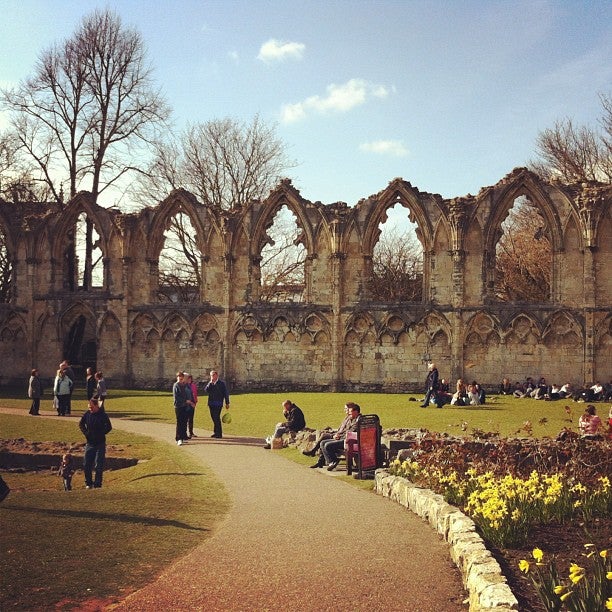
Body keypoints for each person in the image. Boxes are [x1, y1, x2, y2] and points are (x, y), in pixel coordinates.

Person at [317, 402, 362, 471]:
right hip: (344, 438)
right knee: (322, 443)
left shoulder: (358, 420)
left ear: (356, 412)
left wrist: (339, 436)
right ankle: (332, 462)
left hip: (349, 441)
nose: (348, 414)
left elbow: (350, 432)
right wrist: (337, 435)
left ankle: (334, 460)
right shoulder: (351, 418)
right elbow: (345, 430)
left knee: (328, 445)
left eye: (350, 412)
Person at [79, 398, 112, 489]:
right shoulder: (87, 414)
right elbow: (81, 424)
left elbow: (109, 427)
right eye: (89, 407)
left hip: (100, 444)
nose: (90, 409)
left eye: (92, 407)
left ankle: (98, 484)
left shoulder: (103, 415)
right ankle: (88, 483)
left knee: (98, 464)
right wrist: (86, 433)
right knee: (87, 464)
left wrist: (101, 433)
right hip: (90, 443)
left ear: (97, 406)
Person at [204, 370, 230, 439]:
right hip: (211, 403)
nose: (212, 377)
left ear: (216, 375)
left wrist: (227, 403)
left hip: (218, 403)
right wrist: (210, 383)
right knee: (213, 418)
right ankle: (216, 432)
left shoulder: (222, 383)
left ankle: (219, 433)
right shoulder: (210, 384)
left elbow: (225, 393)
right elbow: (206, 390)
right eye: (211, 375)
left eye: (213, 375)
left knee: (216, 418)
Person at [173, 372, 194, 446]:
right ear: (177, 378)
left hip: (185, 406)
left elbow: (187, 394)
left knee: (184, 422)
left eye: (181, 378)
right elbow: (177, 397)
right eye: (179, 378)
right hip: (178, 406)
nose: (180, 379)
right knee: (179, 422)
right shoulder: (176, 385)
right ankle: (178, 438)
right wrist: (185, 401)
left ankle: (182, 437)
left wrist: (190, 402)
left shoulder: (184, 385)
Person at [185, 373, 198, 438]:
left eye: (190, 378)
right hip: (186, 404)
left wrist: (195, 402)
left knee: (191, 419)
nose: (189, 379)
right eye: (188, 378)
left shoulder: (193, 385)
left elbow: (195, 394)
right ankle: (184, 433)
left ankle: (191, 432)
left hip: (192, 404)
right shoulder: (185, 386)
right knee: (185, 419)